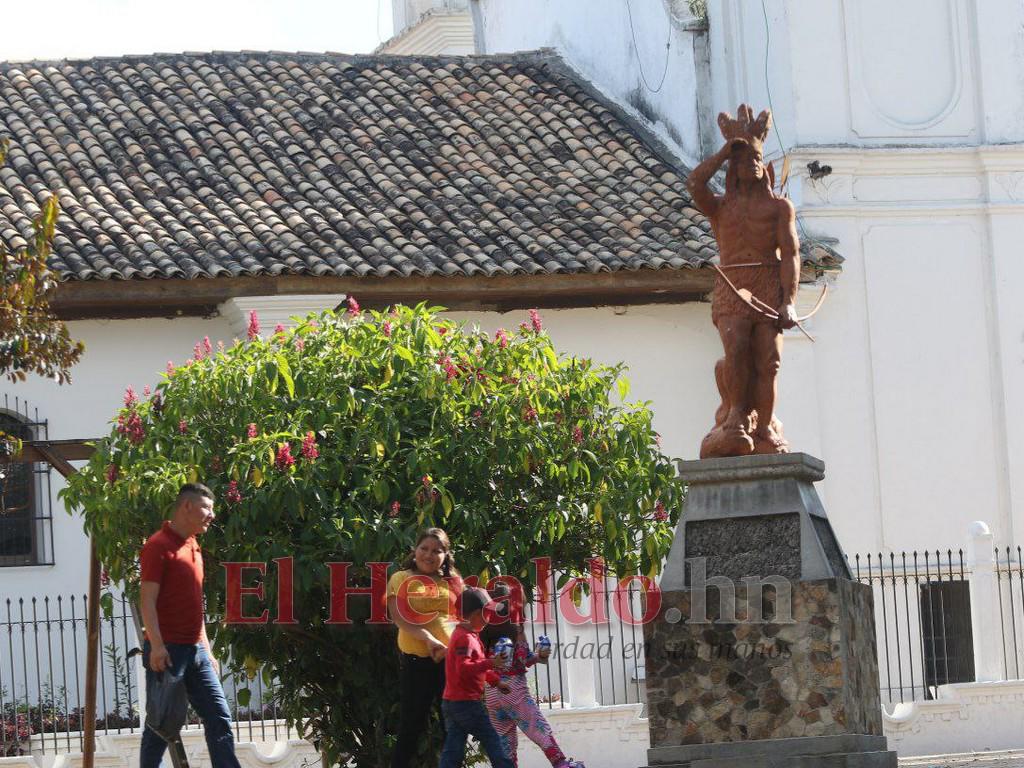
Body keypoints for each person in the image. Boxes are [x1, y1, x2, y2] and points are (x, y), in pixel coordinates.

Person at [139, 483, 241, 768]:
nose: (212, 515)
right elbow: (147, 601)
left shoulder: (194, 545)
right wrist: (157, 646)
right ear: (186, 506)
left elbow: (196, 604)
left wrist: (206, 649)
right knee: (162, 724)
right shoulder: (157, 546)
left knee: (219, 716)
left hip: (196, 651)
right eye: (206, 508)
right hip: (169, 650)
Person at [387, 528, 461, 768]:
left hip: (450, 664)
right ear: (415, 550)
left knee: (453, 726)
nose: (429, 555)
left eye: (437, 551)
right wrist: (428, 637)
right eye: (424, 548)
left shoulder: (452, 582)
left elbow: (465, 619)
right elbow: (399, 618)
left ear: (446, 555)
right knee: (410, 727)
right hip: (417, 663)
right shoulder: (401, 578)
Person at [480, 586, 577, 768]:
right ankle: (562, 764)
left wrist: (538, 657)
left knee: (505, 743)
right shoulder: (515, 629)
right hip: (514, 691)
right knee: (538, 727)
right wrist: (540, 656)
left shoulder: (485, 634)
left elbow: (482, 665)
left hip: (492, 695)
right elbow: (524, 659)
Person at [439, 587, 513, 768]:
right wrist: (491, 663)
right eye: (487, 613)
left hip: (451, 702)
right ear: (475, 614)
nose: (490, 618)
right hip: (466, 704)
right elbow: (464, 669)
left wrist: (496, 681)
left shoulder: (466, 636)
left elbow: (475, 666)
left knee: (453, 749)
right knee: (492, 738)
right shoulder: (465, 639)